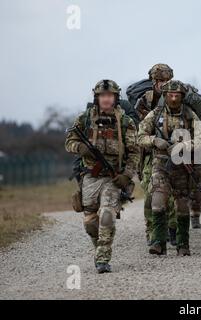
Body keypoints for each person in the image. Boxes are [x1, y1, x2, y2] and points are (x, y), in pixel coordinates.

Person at [65, 80, 139, 273]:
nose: (106, 99)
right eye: (103, 96)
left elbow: (135, 153)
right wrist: (80, 148)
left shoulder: (125, 122)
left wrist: (127, 175)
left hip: (113, 178)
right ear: (97, 97)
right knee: (90, 223)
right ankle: (100, 246)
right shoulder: (85, 119)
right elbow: (69, 141)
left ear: (116, 98)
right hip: (90, 177)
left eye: (110, 95)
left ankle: (103, 258)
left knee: (107, 215)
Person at [137, 80, 201, 256]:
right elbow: (140, 136)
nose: (173, 98)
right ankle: (158, 242)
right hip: (161, 163)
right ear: (165, 96)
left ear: (182, 96)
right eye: (170, 95)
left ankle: (183, 244)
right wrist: (154, 140)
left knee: (182, 205)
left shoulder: (190, 115)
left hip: (182, 165)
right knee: (157, 201)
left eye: (177, 95)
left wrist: (184, 145)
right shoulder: (155, 114)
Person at [134, 64, 178, 246]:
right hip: (151, 153)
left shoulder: (178, 96)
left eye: (166, 80)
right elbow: (141, 130)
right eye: (159, 81)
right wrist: (153, 140)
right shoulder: (145, 101)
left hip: (175, 152)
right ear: (153, 81)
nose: (162, 84)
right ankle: (152, 231)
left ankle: (173, 229)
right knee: (150, 192)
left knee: (174, 193)